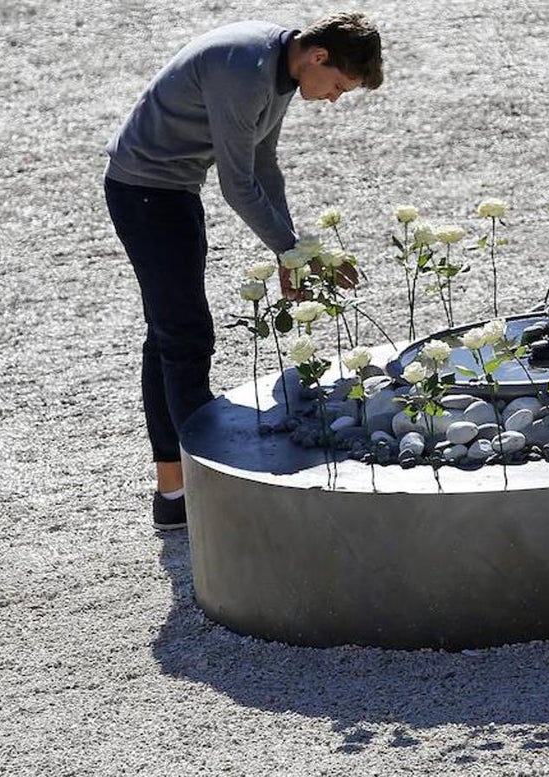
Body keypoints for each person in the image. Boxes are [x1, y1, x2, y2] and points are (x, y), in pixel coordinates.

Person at [104, 12, 383, 531]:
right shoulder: (246, 71)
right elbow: (237, 185)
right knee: (185, 337)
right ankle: (200, 492)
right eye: (339, 86)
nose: (333, 98)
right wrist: (294, 251)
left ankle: (175, 493)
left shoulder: (280, 70)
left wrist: (291, 253)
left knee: (168, 336)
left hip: (171, 190)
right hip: (146, 191)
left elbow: (263, 166)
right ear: (318, 57)